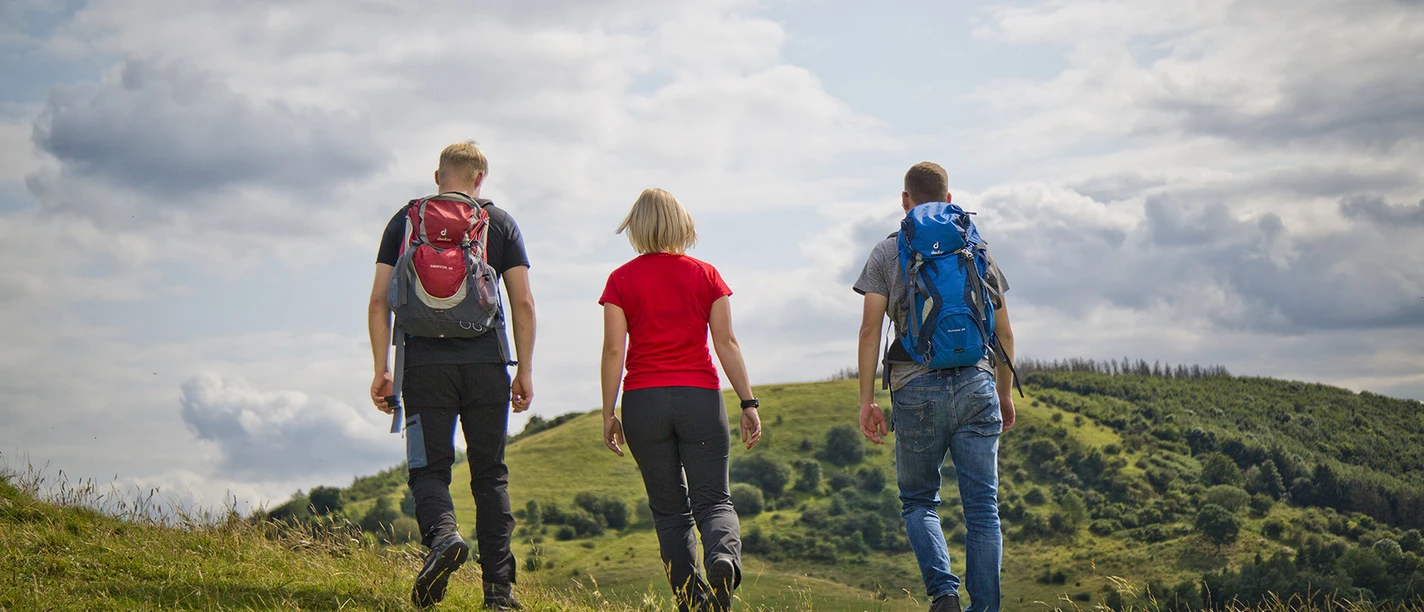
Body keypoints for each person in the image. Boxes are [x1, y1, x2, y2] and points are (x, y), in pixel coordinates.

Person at [367, 141, 537, 610]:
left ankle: (443, 538)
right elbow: (522, 302)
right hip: (486, 366)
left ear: (438, 174)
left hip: (422, 365)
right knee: (490, 477)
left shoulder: (405, 221)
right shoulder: (498, 223)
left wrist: (382, 368)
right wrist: (524, 368)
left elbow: (379, 300)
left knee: (428, 468)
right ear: (480, 178)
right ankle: (499, 595)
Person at [853, 162, 1016, 612]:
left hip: (915, 390)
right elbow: (1004, 332)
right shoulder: (975, 247)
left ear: (904, 200)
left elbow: (870, 330)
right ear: (949, 199)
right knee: (983, 509)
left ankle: (944, 595)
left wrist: (867, 401)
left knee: (920, 501)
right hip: (976, 382)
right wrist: (1002, 394)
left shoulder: (888, 252)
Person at [598, 188, 763, 612]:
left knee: (669, 511)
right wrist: (748, 402)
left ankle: (693, 601)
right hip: (699, 400)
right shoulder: (706, 275)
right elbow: (725, 341)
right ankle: (723, 557)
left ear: (636, 228)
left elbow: (614, 350)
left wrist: (608, 412)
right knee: (714, 500)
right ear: (682, 225)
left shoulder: (620, 280)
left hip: (643, 403)